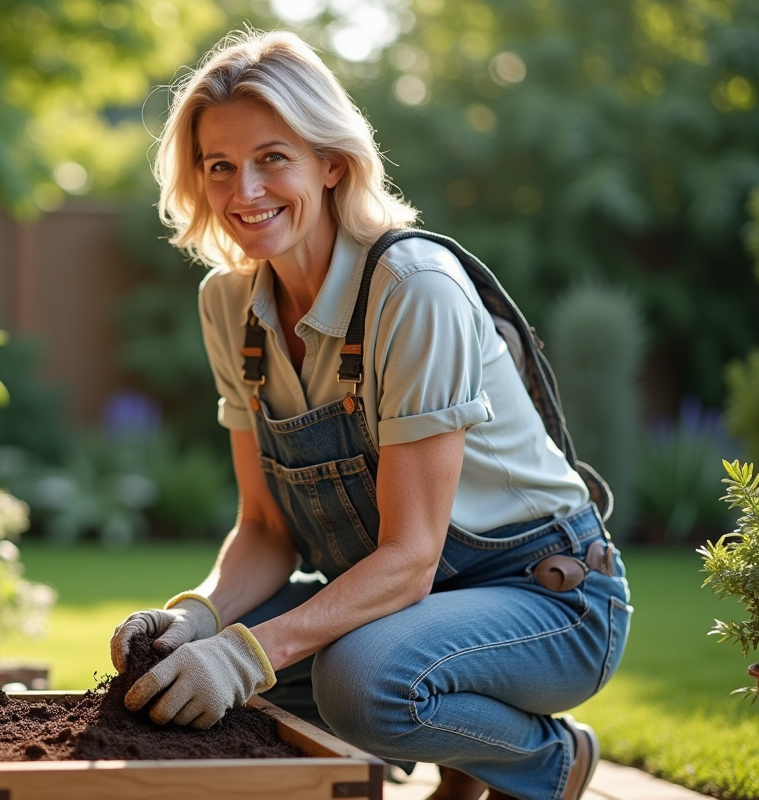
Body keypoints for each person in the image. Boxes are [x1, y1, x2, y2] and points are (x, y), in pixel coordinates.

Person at [108, 28, 632, 800]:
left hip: (550, 599)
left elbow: (413, 556)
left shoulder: (413, 289)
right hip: (409, 605)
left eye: (272, 158)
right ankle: (466, 764)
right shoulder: (229, 305)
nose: (244, 191)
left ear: (332, 162)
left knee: (354, 681)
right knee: (197, 685)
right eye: (220, 167)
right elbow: (264, 530)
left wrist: (247, 652)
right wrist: (198, 621)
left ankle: (549, 762)